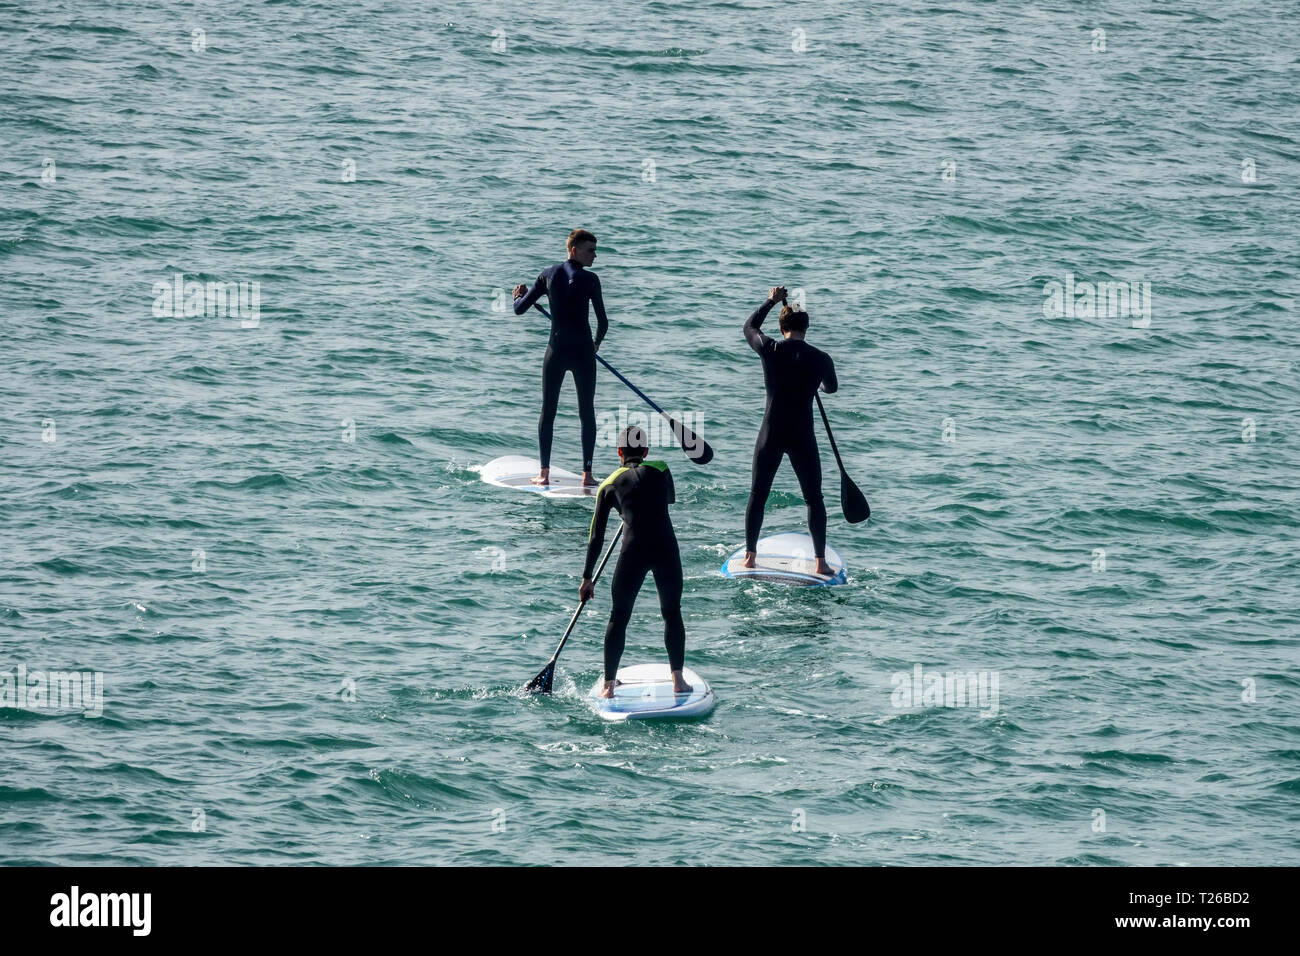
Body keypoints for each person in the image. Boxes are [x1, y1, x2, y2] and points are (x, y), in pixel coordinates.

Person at [580, 426, 690, 698]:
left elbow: (596, 536)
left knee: (619, 616)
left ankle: (608, 686)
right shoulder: (662, 469)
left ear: (619, 452)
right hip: (665, 547)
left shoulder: (608, 485)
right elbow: (668, 499)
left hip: (634, 551)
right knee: (672, 612)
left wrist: (587, 578)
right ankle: (677, 680)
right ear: (646, 451)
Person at [742, 286, 838, 575]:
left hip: (771, 432)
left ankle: (750, 557)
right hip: (802, 436)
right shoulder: (821, 358)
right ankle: (820, 562)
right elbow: (831, 388)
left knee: (758, 494)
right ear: (806, 327)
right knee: (814, 499)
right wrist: (816, 383)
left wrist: (770, 301)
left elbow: (749, 327)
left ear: (782, 327)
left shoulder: (770, 349)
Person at [512, 229, 608, 487]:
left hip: (555, 352)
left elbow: (519, 310)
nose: (595, 256)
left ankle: (543, 474)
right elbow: (603, 322)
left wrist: (518, 296)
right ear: (574, 250)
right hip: (583, 353)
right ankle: (587, 475)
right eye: (591, 250)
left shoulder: (547, 275)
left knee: (549, 410)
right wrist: (596, 344)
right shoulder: (591, 280)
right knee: (586, 412)